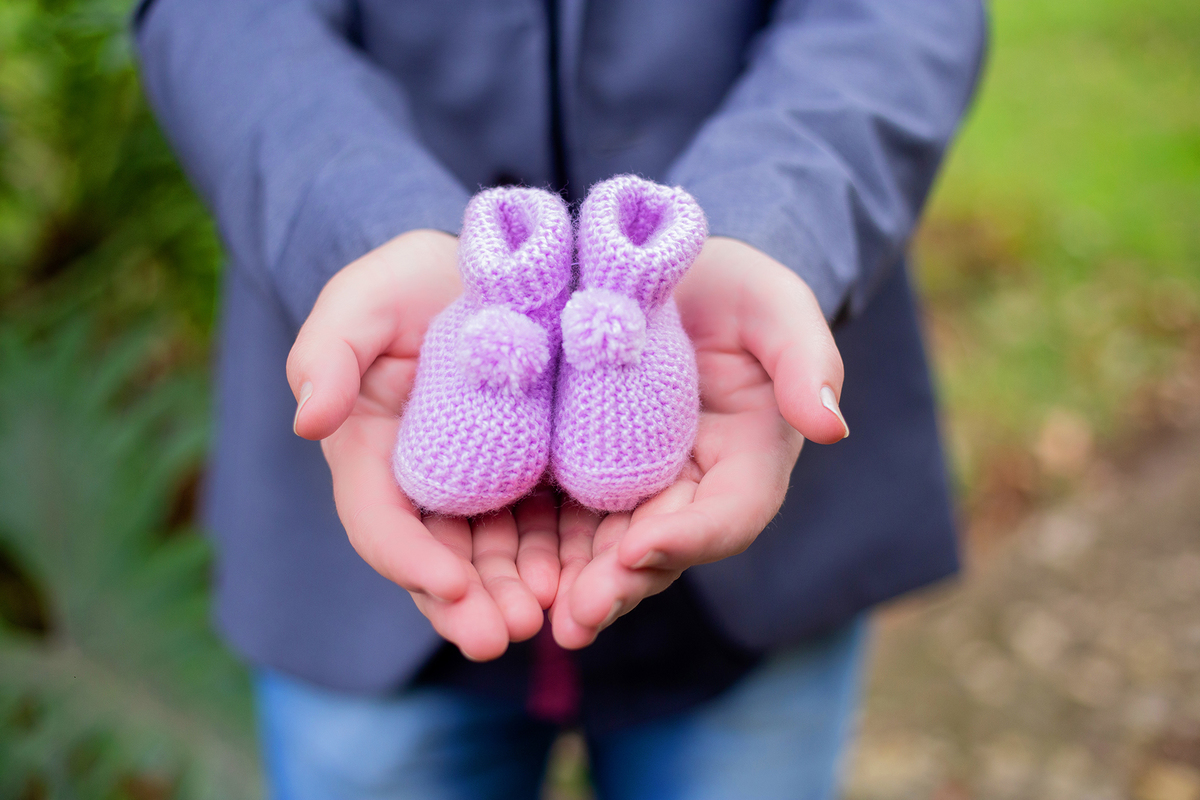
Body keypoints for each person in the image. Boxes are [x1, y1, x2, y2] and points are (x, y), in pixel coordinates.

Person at [134, 0, 987, 797]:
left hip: (759, 511)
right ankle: (503, 292)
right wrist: (366, 226)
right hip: (355, 557)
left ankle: (637, 281)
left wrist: (772, 226)